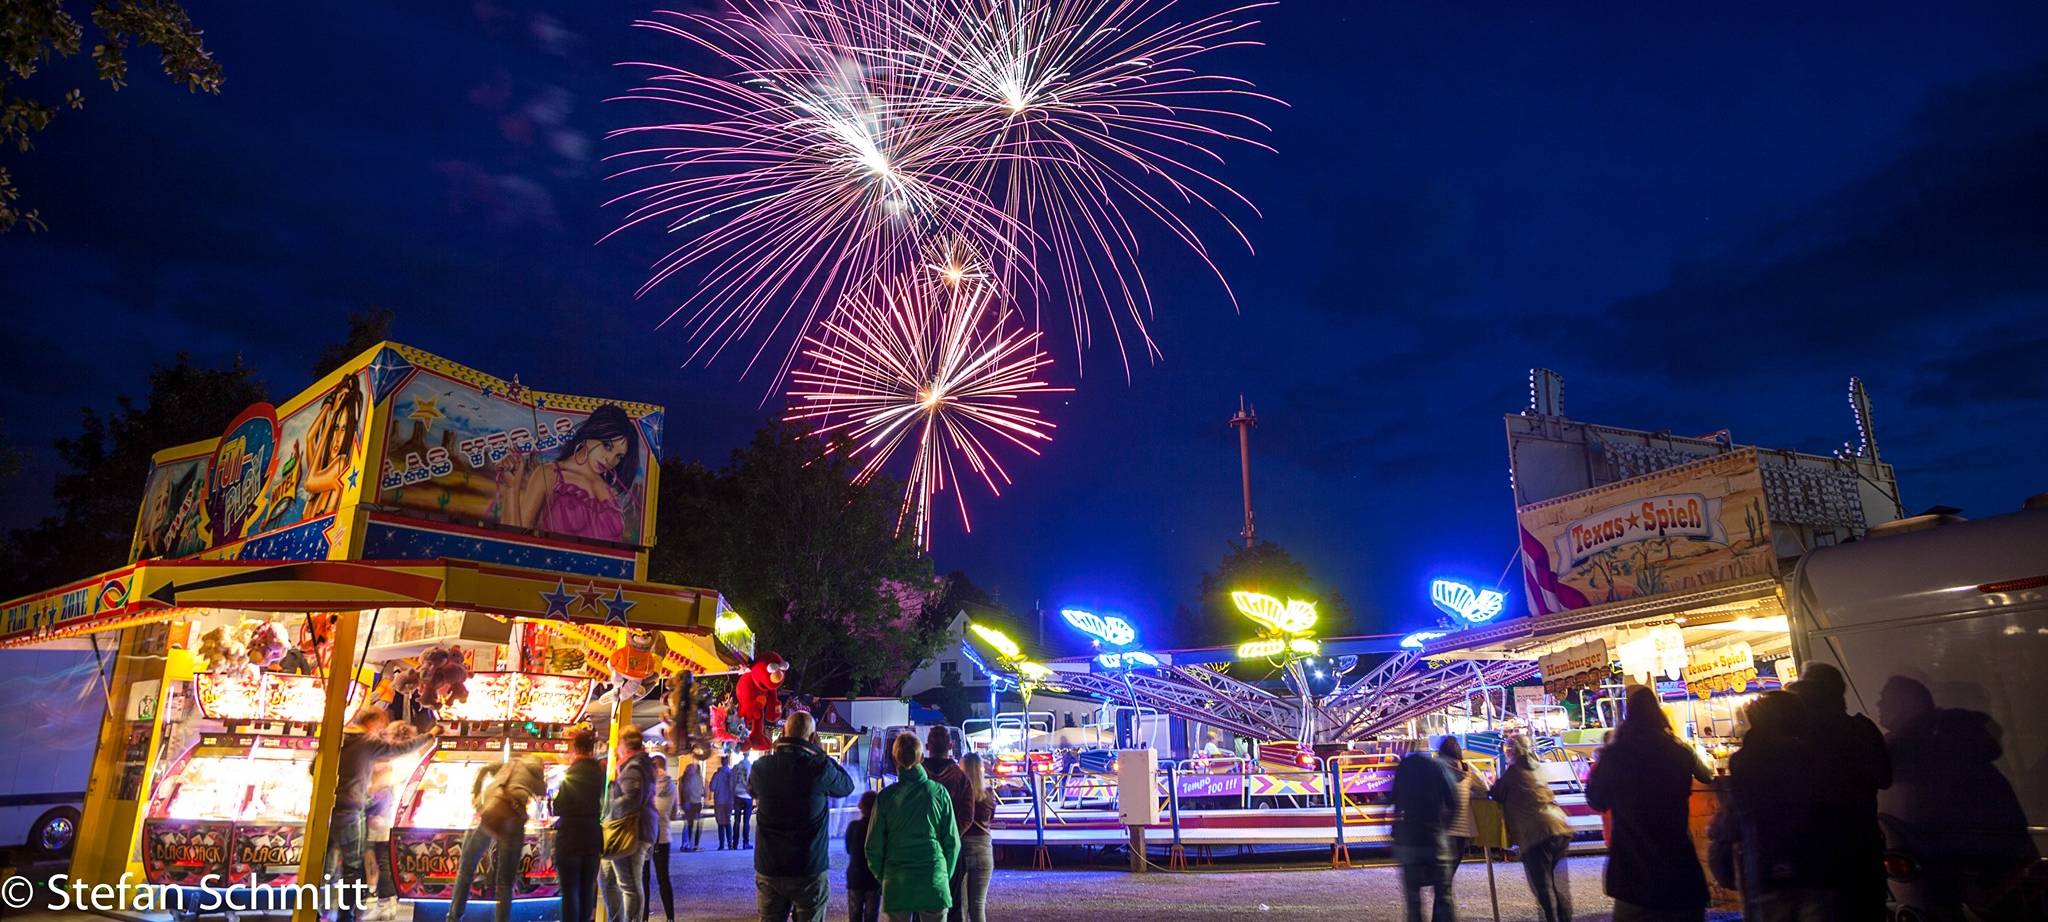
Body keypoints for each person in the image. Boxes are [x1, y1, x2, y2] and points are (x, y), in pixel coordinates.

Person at [1586, 686, 1715, 922]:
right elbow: (1706, 776)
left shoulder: (1615, 755)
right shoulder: (1679, 751)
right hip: (1679, 865)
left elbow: (1596, 799)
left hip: (1634, 872)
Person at [1708, 692, 1831, 921]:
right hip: (1814, 866)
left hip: (1765, 865)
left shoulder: (1747, 760)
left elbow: (1737, 816)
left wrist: (1719, 837)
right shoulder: (1813, 756)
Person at [1786, 663, 1891, 919]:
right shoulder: (1862, 729)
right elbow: (1884, 778)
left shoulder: (1802, 739)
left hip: (1821, 849)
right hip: (1864, 841)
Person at [332, 708, 437, 922]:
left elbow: (315, 768)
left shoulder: (340, 740)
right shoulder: (367, 743)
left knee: (336, 863)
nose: (382, 733)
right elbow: (398, 753)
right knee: (356, 865)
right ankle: (350, 913)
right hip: (358, 811)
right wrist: (430, 735)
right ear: (372, 723)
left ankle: (320, 910)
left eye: (386, 731)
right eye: (381, 727)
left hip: (338, 810)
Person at [752, 711, 857, 922]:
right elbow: (846, 785)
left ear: (783, 732)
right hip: (808, 865)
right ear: (812, 737)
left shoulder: (762, 767)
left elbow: (753, 791)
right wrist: (820, 753)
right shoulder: (820, 768)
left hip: (770, 865)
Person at [867, 733, 960, 922]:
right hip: (933, 877)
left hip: (897, 880)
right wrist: (943, 875)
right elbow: (952, 842)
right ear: (922, 757)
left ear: (895, 758)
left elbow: (872, 847)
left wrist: (884, 877)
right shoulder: (938, 793)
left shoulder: (885, 798)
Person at [447, 756, 547, 922]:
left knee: (466, 870)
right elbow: (543, 792)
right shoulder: (537, 776)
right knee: (505, 883)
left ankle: (453, 917)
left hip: (491, 815)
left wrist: (476, 797)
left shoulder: (511, 764)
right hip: (514, 824)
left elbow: (484, 769)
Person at [1490, 734, 1574, 922]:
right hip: (1559, 826)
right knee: (1555, 882)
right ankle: (1564, 918)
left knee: (1542, 885)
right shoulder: (1537, 767)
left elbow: (1496, 793)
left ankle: (1552, 919)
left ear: (1511, 751)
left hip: (1535, 832)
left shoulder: (1513, 772)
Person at [1390, 736, 1458, 922]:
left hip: (1410, 841)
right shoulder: (1438, 767)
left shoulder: (1404, 767)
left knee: (1413, 901)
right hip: (1436, 840)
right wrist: (1444, 828)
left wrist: (1396, 833)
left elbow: (1393, 803)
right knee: (1443, 897)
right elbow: (1453, 803)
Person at [603, 727, 660, 922]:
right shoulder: (638, 764)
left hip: (631, 832)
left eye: (618, 743)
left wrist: (608, 807)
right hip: (630, 829)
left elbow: (630, 800)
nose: (616, 748)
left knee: (629, 885)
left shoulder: (634, 767)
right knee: (607, 879)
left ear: (624, 744)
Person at [917, 727, 971, 922]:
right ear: (951, 745)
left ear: (927, 746)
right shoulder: (961, 778)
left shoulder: (918, 777)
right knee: (953, 905)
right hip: (952, 851)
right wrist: (951, 836)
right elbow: (967, 815)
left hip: (921, 849)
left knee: (919, 906)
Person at [553, 728, 606, 922]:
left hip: (570, 839)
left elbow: (559, 806)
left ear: (575, 749)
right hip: (592, 837)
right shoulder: (599, 772)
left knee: (570, 891)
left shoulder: (572, 772)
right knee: (586, 889)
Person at [1437, 737, 1490, 892]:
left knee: (1442, 879)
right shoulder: (1467, 770)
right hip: (1462, 830)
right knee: (1448, 876)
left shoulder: (1436, 769)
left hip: (1442, 828)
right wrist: (1467, 794)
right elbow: (1484, 790)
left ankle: (1443, 905)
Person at [954, 753, 997, 922]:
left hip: (962, 849)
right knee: (978, 906)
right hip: (983, 849)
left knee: (961, 906)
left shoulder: (958, 794)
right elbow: (991, 817)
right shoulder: (989, 794)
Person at [363, 759, 402, 921]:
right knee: (382, 865)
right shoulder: (384, 787)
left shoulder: (384, 788)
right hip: (380, 830)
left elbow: (369, 805)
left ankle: (384, 902)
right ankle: (388, 904)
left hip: (381, 831)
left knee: (383, 866)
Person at [644, 753, 678, 922]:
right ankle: (670, 917)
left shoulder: (648, 786)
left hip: (647, 835)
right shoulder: (672, 786)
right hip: (664, 836)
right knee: (663, 878)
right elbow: (674, 814)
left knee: (644, 878)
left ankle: (643, 916)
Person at [846, 791, 883, 922]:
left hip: (855, 878)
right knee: (872, 915)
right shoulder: (880, 828)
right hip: (873, 878)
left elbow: (848, 849)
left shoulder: (854, 826)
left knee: (854, 915)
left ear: (861, 806)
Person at [679, 756, 707, 851]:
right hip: (694, 803)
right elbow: (700, 791)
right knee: (692, 824)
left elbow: (684, 791)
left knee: (689, 824)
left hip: (691, 803)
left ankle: (687, 844)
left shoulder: (686, 779)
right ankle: (691, 844)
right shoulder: (694, 779)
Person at [711, 754, 737, 850]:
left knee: (720, 823)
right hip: (729, 801)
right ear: (728, 762)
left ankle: (721, 844)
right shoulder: (731, 774)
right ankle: (730, 843)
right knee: (728, 822)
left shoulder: (717, 774)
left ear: (721, 762)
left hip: (719, 801)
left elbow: (712, 787)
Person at [735, 752, 756, 848]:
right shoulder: (750, 766)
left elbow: (732, 780)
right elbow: (752, 781)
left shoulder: (737, 766)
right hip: (747, 795)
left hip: (737, 794)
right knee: (746, 821)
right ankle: (745, 842)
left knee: (736, 821)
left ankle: (735, 843)